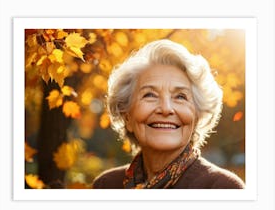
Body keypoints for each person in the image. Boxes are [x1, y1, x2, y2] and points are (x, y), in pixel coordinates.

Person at [93, 39, 245, 189]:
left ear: (197, 117)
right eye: (149, 95)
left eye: (180, 97)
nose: (166, 109)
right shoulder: (106, 185)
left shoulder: (223, 188)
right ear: (127, 116)